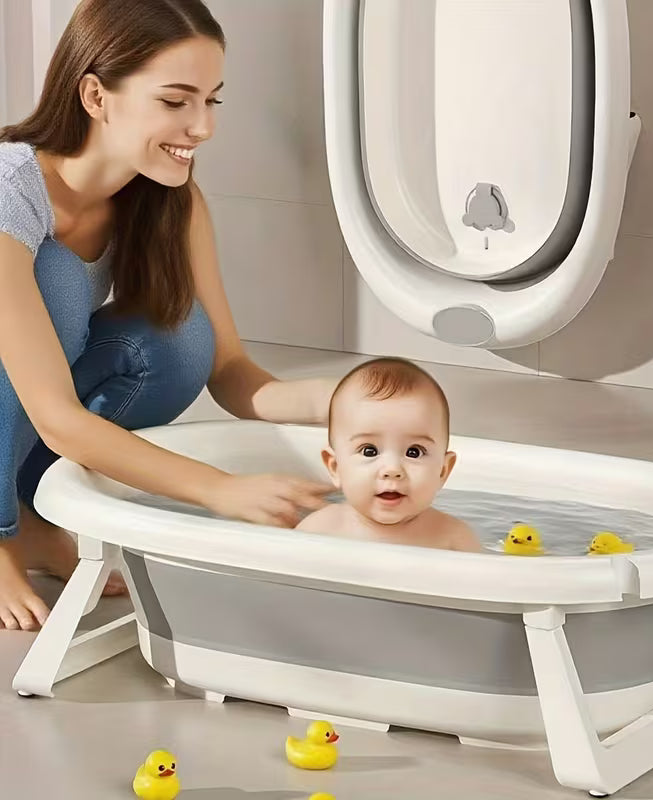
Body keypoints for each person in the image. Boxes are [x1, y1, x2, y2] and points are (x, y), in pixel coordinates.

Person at [0, 0, 337, 632]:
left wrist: (350, 400)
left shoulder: (167, 199)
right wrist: (219, 488)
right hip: (37, 402)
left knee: (179, 340)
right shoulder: (9, 195)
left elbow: (231, 370)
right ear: (96, 95)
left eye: (211, 101)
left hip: (27, 418)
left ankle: (31, 516)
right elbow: (57, 418)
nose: (201, 127)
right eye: (175, 101)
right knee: (61, 281)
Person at [296, 357, 483, 553]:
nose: (392, 470)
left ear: (443, 471)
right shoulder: (319, 529)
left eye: (414, 452)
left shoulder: (453, 539)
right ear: (335, 467)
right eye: (369, 451)